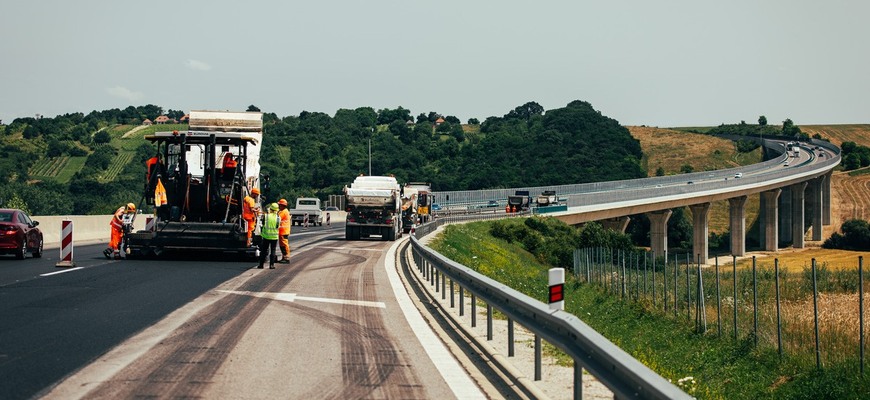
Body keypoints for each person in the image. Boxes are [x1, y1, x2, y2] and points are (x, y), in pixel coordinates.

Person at [258, 203, 280, 269]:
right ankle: (271, 265)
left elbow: (263, 224)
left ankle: (261, 265)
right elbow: (277, 226)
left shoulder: (266, 216)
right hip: (274, 236)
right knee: (273, 250)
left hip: (266, 236)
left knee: (264, 250)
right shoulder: (278, 217)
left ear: (270, 209)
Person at [277, 198, 291, 263]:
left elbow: (277, 218)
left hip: (284, 231)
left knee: (284, 244)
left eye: (279, 205)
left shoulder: (284, 212)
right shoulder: (284, 211)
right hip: (282, 231)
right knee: (282, 245)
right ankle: (284, 257)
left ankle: (286, 258)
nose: (278, 206)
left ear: (282, 205)